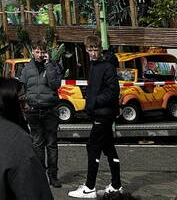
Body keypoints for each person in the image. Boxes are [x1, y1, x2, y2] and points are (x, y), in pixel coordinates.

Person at [69, 36, 123, 198]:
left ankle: (90, 187)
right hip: (101, 113)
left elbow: (113, 91)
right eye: (90, 50)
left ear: (100, 49)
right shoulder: (95, 65)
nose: (92, 53)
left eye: (95, 49)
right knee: (109, 149)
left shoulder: (107, 66)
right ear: (86, 50)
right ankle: (116, 185)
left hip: (103, 113)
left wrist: (94, 102)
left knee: (93, 148)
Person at [20, 40, 63, 187]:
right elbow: (22, 87)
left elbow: (55, 85)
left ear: (46, 52)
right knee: (38, 144)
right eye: (37, 51)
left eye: (42, 52)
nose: (39, 54)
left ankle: (53, 176)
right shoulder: (27, 68)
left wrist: (49, 65)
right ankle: (40, 176)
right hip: (33, 110)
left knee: (51, 144)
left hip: (50, 109)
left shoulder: (53, 66)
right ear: (32, 51)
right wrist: (25, 104)